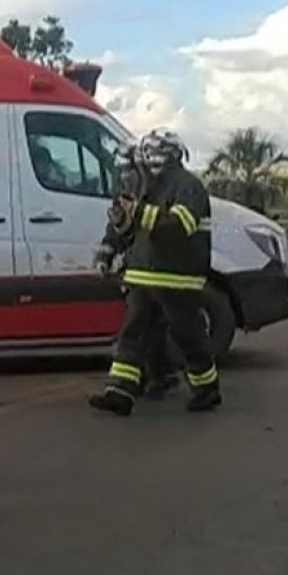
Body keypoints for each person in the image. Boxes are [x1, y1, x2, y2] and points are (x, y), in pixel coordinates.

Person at [89, 129, 220, 416]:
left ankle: (207, 388)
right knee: (132, 334)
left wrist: (138, 213)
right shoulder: (143, 185)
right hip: (142, 274)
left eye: (155, 152)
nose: (150, 159)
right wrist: (107, 251)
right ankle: (120, 392)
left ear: (172, 154)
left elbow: (179, 226)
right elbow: (122, 227)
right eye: (147, 153)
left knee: (188, 335)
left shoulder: (189, 186)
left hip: (179, 276)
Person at [93, 144, 180, 399]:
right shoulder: (127, 194)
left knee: (148, 325)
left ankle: (146, 379)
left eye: (130, 171)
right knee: (143, 325)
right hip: (139, 269)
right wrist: (105, 255)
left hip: (163, 267)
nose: (126, 177)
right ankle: (144, 379)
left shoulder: (164, 190)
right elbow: (117, 228)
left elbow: (171, 227)